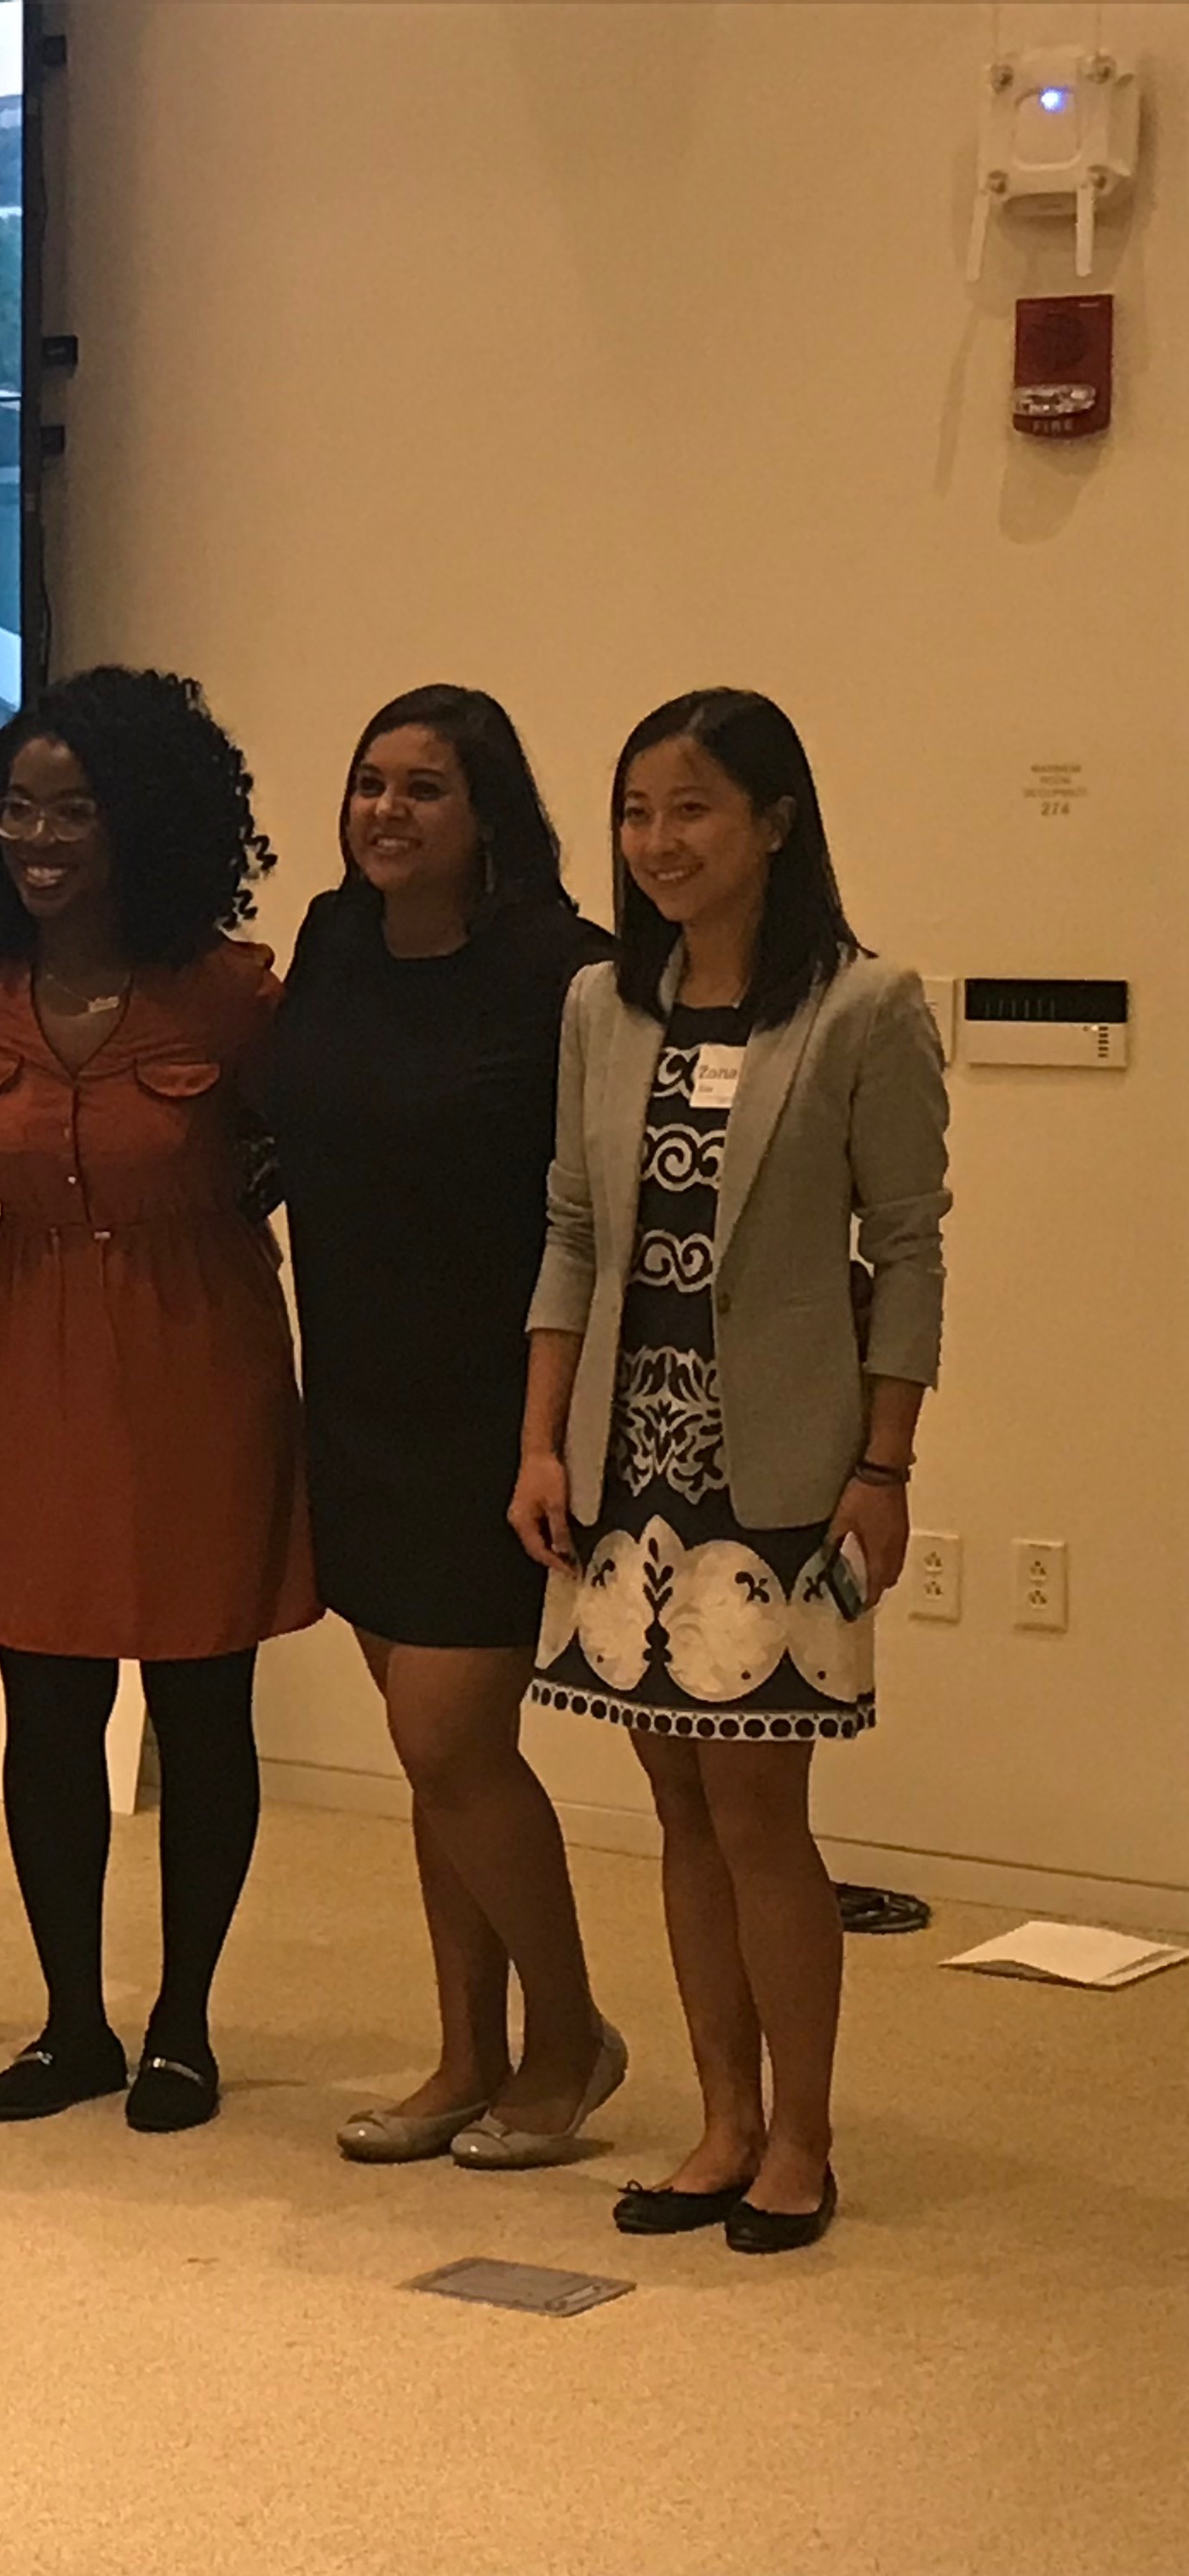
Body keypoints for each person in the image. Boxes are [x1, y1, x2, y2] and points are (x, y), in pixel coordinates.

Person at [514, 688, 948, 2256]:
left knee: (760, 1805)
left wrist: (884, 1464)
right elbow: (573, 1230)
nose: (657, 842)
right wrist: (540, 1438)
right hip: (630, 1468)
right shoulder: (599, 1005)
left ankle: (802, 2137)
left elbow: (905, 1252)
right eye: (634, 810)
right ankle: (717, 2117)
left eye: (691, 808)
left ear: (773, 821)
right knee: (673, 1801)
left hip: (780, 1471)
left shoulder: (861, 1005)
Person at [0, 669, 318, 2137]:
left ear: (141, 824)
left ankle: (181, 2022)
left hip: (198, 1358)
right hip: (34, 1355)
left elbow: (322, 1142)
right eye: (16, 806)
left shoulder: (230, 991)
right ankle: (73, 2018)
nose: (38, 836)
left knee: (201, 1696)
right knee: (43, 1697)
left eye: (74, 810)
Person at [260, 687, 625, 2170]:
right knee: (433, 1760)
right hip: (351, 1391)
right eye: (367, 783)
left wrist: (555, 1424)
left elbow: (594, 1206)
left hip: (500, 1405)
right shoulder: (332, 941)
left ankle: (571, 2034)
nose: (385, 811)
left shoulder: (567, 970)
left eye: (423, 788)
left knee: (449, 1734)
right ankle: (466, 2051)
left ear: (486, 815)